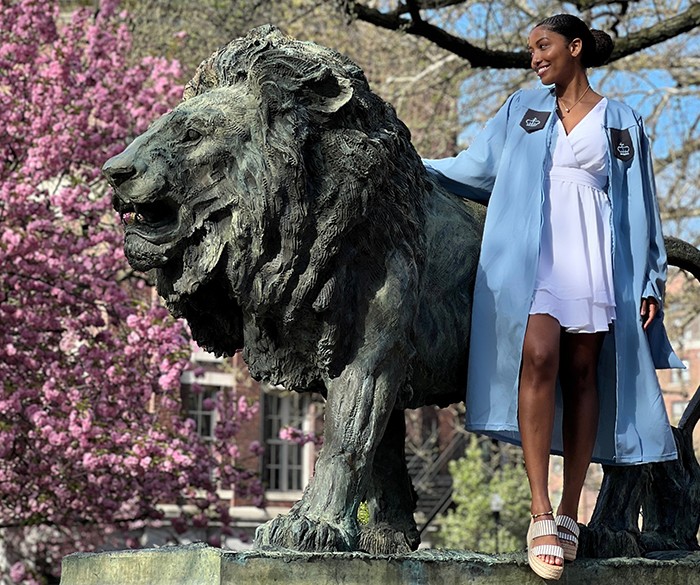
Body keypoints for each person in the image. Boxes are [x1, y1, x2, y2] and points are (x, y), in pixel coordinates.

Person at [423, 14, 682, 580]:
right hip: (531, 256)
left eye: (543, 46)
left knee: (584, 371)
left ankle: (570, 513)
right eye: (530, 50)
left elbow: (642, 205)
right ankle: (540, 509)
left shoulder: (623, 120)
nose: (534, 57)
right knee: (538, 355)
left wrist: (648, 279)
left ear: (575, 47)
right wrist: (413, 164)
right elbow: (476, 168)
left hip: (595, 254)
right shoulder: (522, 110)